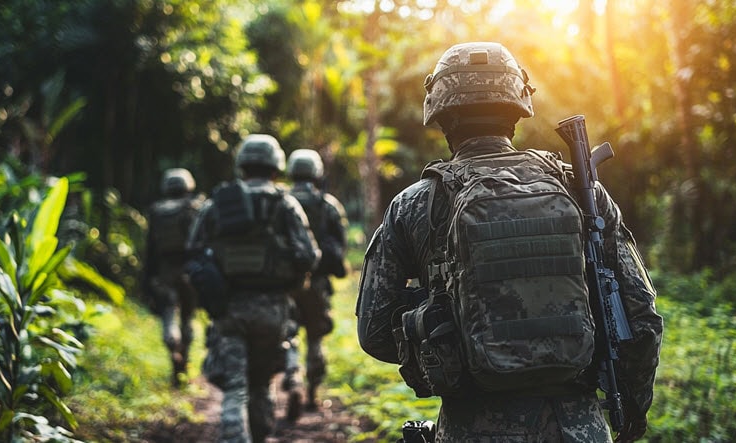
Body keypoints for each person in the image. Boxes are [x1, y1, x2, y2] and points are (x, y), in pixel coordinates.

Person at [356, 42, 663, 442]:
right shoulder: (579, 190)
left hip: (471, 426)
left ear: (442, 113)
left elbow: (375, 330)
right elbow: (641, 315)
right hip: (578, 427)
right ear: (517, 107)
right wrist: (634, 409)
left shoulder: (413, 206)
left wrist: (446, 328)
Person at [195, 134, 320, 442]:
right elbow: (308, 255)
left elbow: (194, 255)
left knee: (236, 387)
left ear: (242, 165)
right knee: (261, 383)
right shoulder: (284, 204)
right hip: (273, 310)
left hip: (228, 308)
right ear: (276, 166)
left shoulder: (216, 204)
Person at [281, 148, 349, 416]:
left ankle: (293, 378)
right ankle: (312, 392)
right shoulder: (328, 204)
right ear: (316, 172)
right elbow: (340, 244)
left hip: (287, 283)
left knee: (289, 334)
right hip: (318, 282)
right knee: (315, 337)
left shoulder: (282, 202)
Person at [144, 168, 206, 387]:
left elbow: (150, 248)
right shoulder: (194, 208)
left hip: (164, 270)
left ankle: (173, 345)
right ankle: (184, 363)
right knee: (188, 317)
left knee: (169, 313)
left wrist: (148, 278)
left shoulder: (157, 211)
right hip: (189, 270)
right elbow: (201, 242)